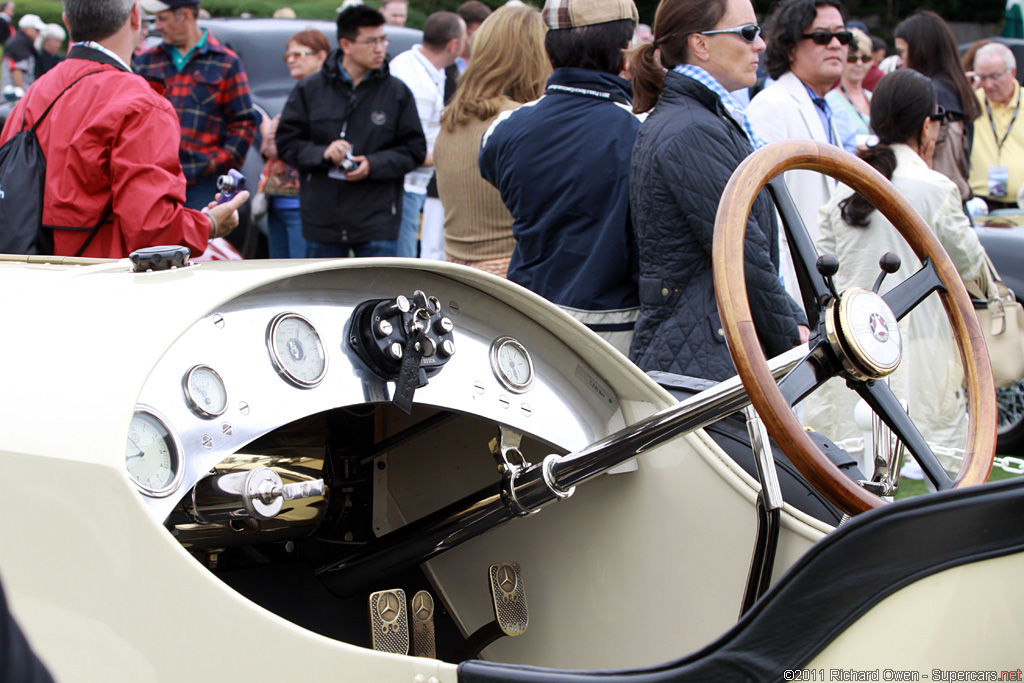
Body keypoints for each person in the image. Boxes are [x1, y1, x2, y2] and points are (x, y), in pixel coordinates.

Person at [806, 69, 985, 471]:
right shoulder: (934, 187)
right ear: (927, 124)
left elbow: (823, 263)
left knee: (854, 464)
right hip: (923, 346)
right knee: (931, 469)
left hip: (853, 345)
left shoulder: (845, 182)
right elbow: (971, 263)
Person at [628, 0, 807, 380]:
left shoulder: (703, 119)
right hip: (703, 361)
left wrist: (793, 319)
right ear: (701, 45)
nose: (760, 44)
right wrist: (795, 340)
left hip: (707, 344)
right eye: (747, 33)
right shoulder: (693, 129)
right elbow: (742, 252)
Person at [0, 0, 247, 259]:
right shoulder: (140, 102)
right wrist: (209, 224)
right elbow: (154, 231)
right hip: (106, 281)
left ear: (67, 22)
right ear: (134, 16)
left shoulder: (35, 92)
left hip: (26, 274)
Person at [478, 0, 641, 355]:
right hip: (616, 328)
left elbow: (494, 171)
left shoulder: (504, 130)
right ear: (625, 55)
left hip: (529, 317)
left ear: (550, 55)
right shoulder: (642, 133)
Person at [275, 4, 426, 258]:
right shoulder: (310, 90)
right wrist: (323, 153)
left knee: (380, 294)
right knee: (323, 295)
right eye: (371, 41)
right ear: (346, 45)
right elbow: (287, 143)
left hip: (377, 219)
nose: (380, 48)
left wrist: (373, 164)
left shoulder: (396, 92)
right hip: (323, 219)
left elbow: (414, 150)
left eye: (383, 39)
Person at [434, 5, 550, 278]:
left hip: (454, 276)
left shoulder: (454, 118)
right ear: (535, 55)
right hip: (510, 282)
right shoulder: (519, 121)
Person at [746, 0, 849, 299]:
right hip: (795, 289)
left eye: (843, 37)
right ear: (791, 47)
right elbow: (768, 215)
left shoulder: (826, 108)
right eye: (821, 37)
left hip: (826, 282)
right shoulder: (771, 107)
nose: (835, 45)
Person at [135, 0, 258, 209]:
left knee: (201, 242)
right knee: (155, 242)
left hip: (202, 184)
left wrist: (215, 163)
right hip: (152, 182)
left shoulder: (226, 62)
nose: (157, 26)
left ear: (185, 16)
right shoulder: (145, 61)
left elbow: (243, 122)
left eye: (162, 18)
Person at [389, 11, 467, 258]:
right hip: (405, 188)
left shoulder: (413, 63)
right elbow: (414, 152)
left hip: (408, 187)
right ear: (453, 44)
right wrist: (460, 154)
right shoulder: (419, 85)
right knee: (403, 268)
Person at [895, 10, 981, 205]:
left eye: (901, 52)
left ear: (920, 51)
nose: (899, 61)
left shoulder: (934, 96)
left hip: (935, 206)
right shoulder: (956, 89)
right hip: (952, 204)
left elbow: (941, 169)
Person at [259, 29, 329, 259]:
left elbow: (315, 143)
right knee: (278, 276)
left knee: (301, 277)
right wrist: (270, 139)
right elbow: (272, 147)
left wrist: (276, 139)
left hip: (304, 204)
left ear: (321, 56)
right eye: (288, 55)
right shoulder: (297, 93)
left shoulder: (328, 96)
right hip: (277, 200)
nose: (291, 60)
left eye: (298, 55)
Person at [968, 42, 1024, 212]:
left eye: (994, 76)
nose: (988, 85)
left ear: (1012, 72)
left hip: (1020, 205)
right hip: (979, 205)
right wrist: (963, 90)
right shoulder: (970, 104)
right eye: (982, 77)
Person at [825, 27, 872, 153]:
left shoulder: (873, 97)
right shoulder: (830, 101)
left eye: (865, 58)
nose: (859, 63)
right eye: (852, 59)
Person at [2, 13, 43, 91]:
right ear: (27, 30)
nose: (39, 33)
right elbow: (17, 70)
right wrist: (23, 95)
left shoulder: (25, 43)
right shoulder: (18, 45)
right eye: (37, 30)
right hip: (13, 99)